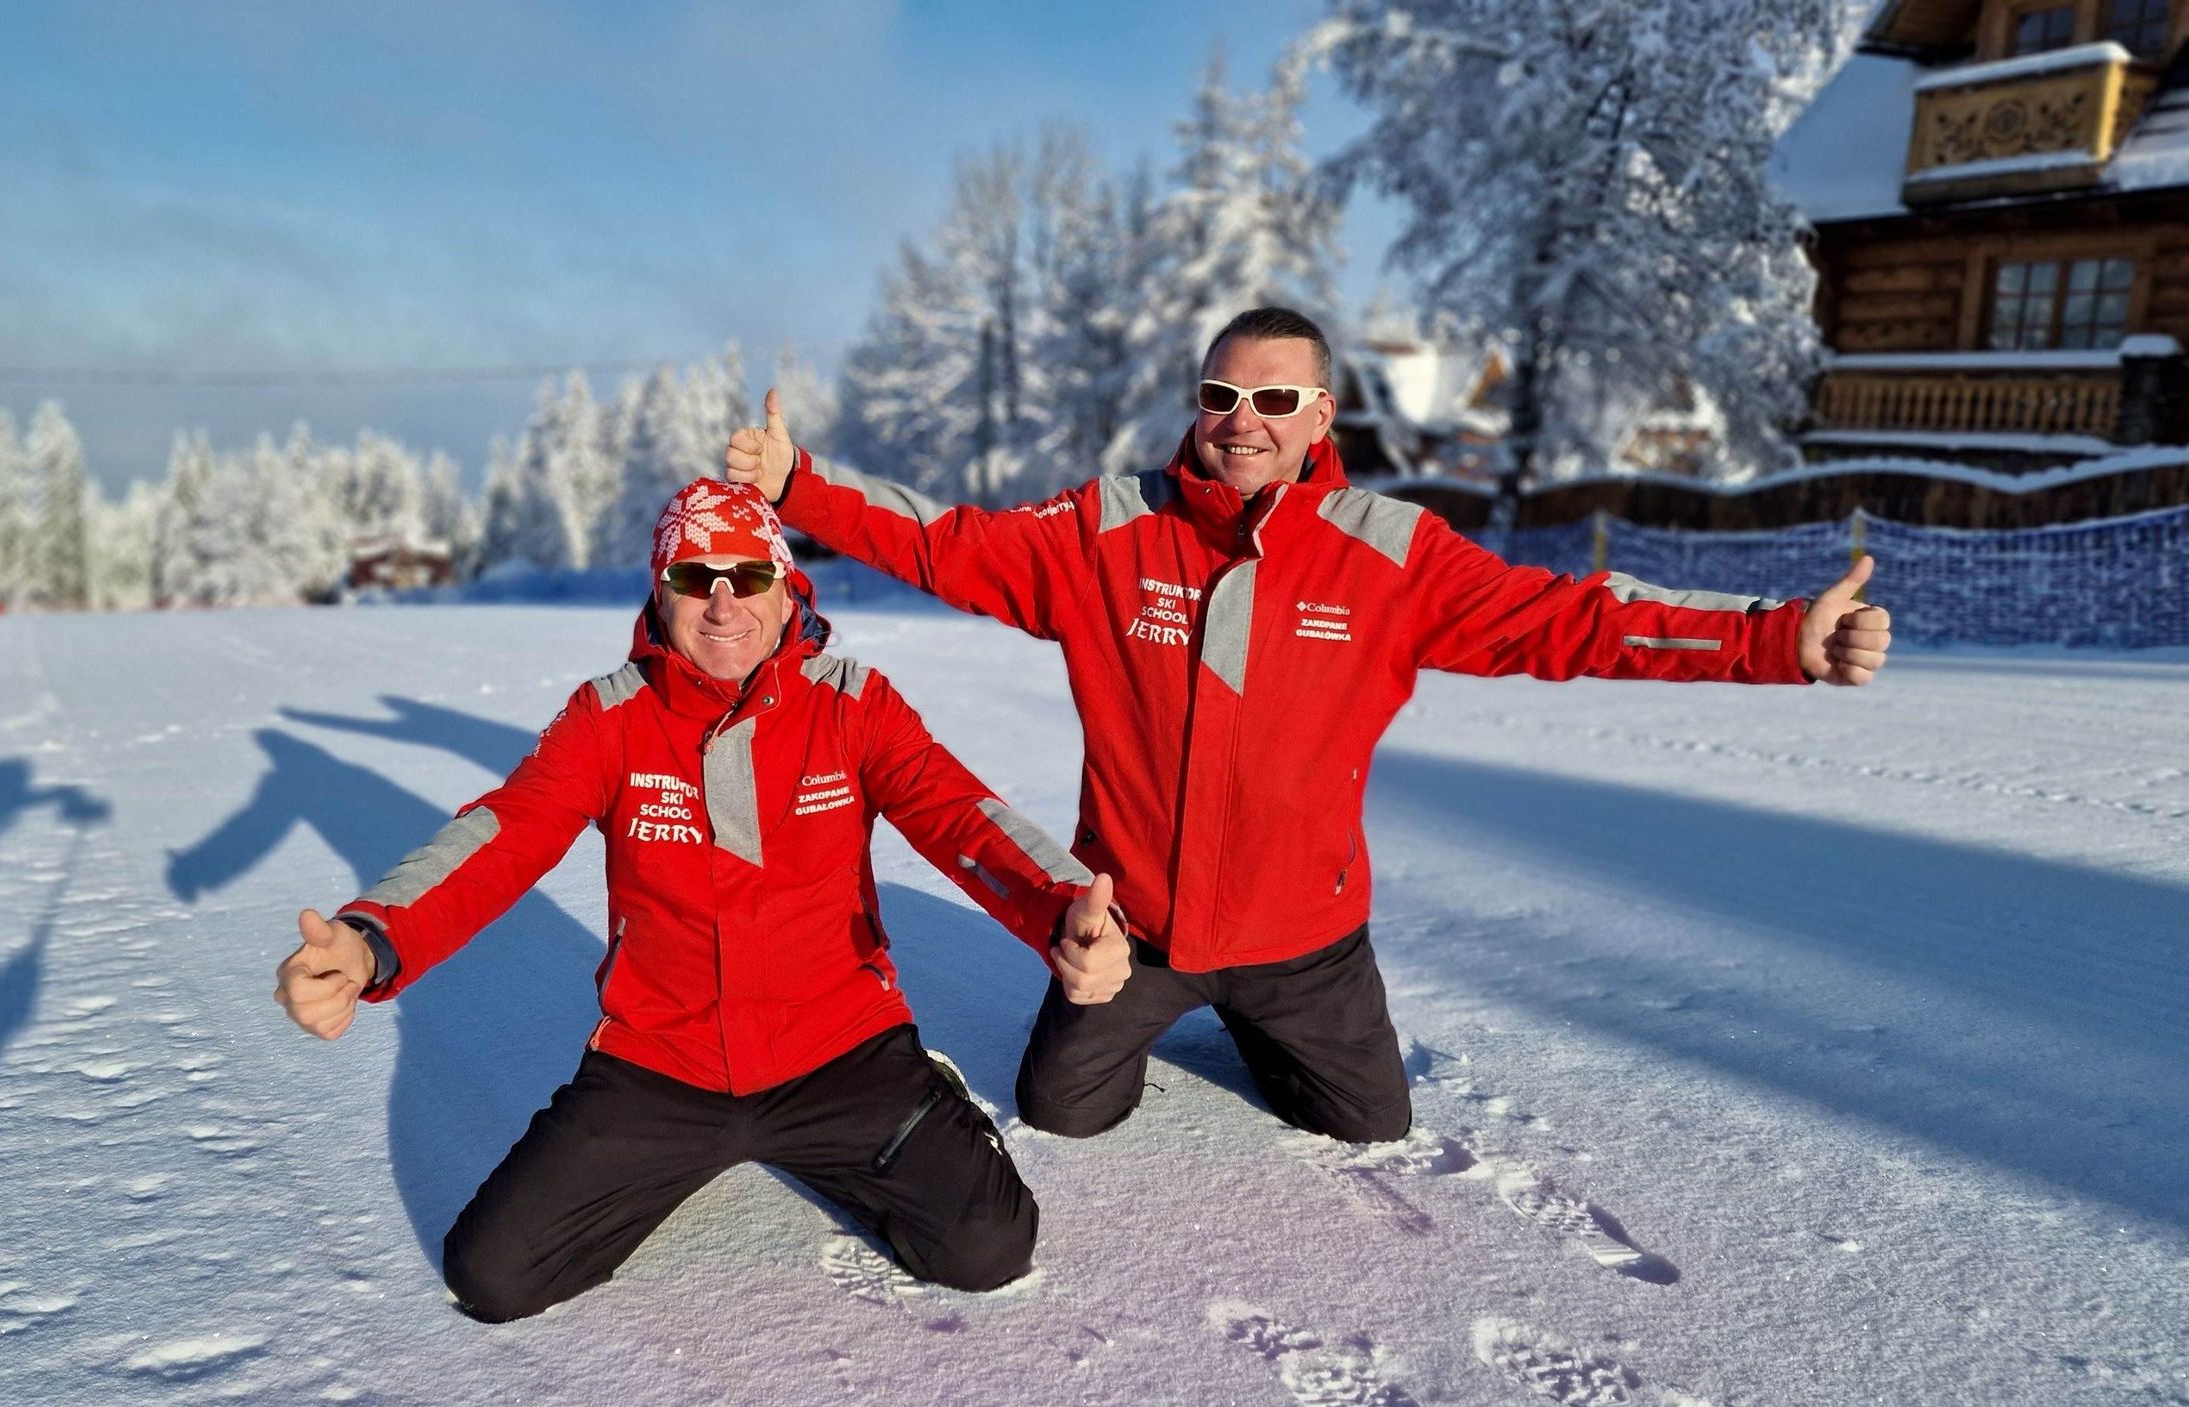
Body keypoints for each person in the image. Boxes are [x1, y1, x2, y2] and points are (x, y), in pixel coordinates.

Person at [726, 305, 1893, 1148]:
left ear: (1319, 412)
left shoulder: (1387, 549)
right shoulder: (1106, 530)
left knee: (1369, 1126)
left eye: (1273, 398)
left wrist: (1774, 639)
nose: (1242, 421)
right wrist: (799, 486)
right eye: (1221, 397)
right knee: (1062, 1113)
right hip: (1136, 926)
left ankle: (1264, 1026)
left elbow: (1568, 618)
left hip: (1306, 941)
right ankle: (1182, 1010)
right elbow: (949, 542)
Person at [273, 480, 1131, 1322]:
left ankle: (925, 1097)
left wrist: (1063, 908)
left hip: (840, 1051)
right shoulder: (609, 716)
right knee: (494, 1273)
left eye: (747, 576)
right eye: (694, 578)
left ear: (786, 583)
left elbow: (960, 816)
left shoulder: (852, 704)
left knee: (990, 1245)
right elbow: (504, 834)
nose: (722, 604)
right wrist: (370, 938)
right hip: (660, 1065)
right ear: (661, 591)